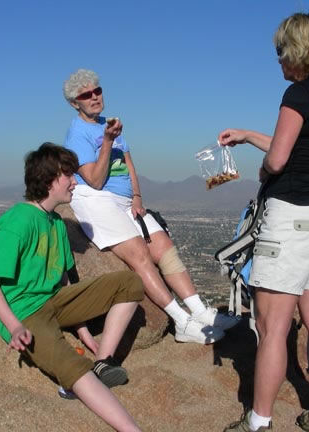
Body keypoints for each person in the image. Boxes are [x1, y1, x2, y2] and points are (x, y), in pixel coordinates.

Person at [219, 12, 309, 432]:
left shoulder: (297, 94)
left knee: (272, 327)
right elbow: (294, 146)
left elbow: (278, 159)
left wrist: (263, 170)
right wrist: (247, 135)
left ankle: (258, 421)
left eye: (281, 51)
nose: (278, 59)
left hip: (291, 219)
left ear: (298, 50)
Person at [62, 69, 238, 345]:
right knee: (139, 254)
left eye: (97, 90)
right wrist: (107, 141)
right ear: (75, 103)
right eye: (86, 95)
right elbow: (94, 180)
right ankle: (182, 322)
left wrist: (137, 196)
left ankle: (200, 312)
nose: (94, 97)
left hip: (125, 200)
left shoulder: (110, 123)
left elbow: (128, 163)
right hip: (97, 199)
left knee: (164, 248)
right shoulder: (77, 134)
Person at [0, 143, 144, 432]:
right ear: (49, 180)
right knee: (71, 365)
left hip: (55, 300)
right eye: (68, 175)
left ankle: (102, 362)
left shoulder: (55, 223)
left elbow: (64, 282)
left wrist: (83, 332)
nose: (75, 182)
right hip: (25, 313)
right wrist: (14, 327)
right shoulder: (18, 221)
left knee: (129, 282)